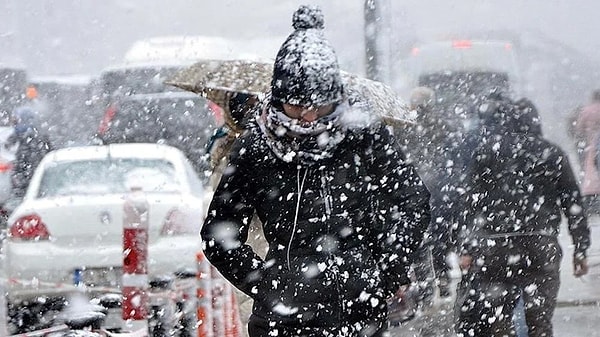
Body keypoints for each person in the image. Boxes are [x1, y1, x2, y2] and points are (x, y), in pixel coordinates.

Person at [200, 5, 431, 337]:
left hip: (360, 313)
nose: (308, 118)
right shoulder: (257, 147)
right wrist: (267, 285)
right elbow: (218, 235)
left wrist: (389, 268)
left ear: (336, 99)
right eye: (296, 106)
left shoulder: (362, 136)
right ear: (278, 100)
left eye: (319, 107)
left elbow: (412, 200)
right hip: (285, 322)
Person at [454, 94, 590, 337]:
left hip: (495, 245)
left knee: (498, 320)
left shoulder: (487, 151)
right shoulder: (551, 152)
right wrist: (580, 248)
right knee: (540, 321)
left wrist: (466, 247)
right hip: (540, 243)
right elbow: (572, 202)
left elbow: (468, 202)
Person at [403, 86, 456, 304]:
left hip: (415, 187)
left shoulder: (405, 125)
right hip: (439, 188)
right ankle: (442, 276)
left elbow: (401, 153)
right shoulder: (443, 124)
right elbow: (451, 154)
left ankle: (425, 286)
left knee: (420, 238)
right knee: (440, 235)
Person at [5, 106, 54, 198]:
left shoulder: (23, 132)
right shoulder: (37, 131)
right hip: (36, 168)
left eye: (17, 119)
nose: (15, 121)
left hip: (26, 169)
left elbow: (9, 144)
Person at [575, 90, 600, 216]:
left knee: (590, 170)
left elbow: (579, 127)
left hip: (590, 143)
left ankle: (591, 197)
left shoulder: (587, 110)